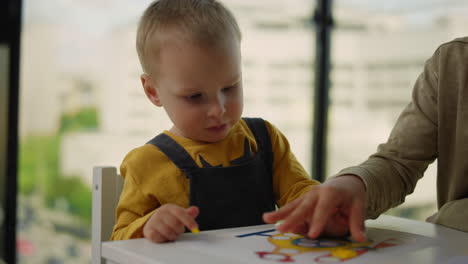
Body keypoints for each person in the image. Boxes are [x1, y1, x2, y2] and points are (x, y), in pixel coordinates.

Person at [110, 0, 324, 243]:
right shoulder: (145, 164)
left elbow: (298, 192)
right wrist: (148, 226)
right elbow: (119, 238)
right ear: (153, 92)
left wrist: (317, 201)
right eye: (195, 96)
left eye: (230, 87)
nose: (218, 109)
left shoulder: (264, 138)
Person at [263, 37, 468, 240]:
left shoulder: (265, 138)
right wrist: (353, 184)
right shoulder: (453, 61)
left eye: (233, 87)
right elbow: (398, 163)